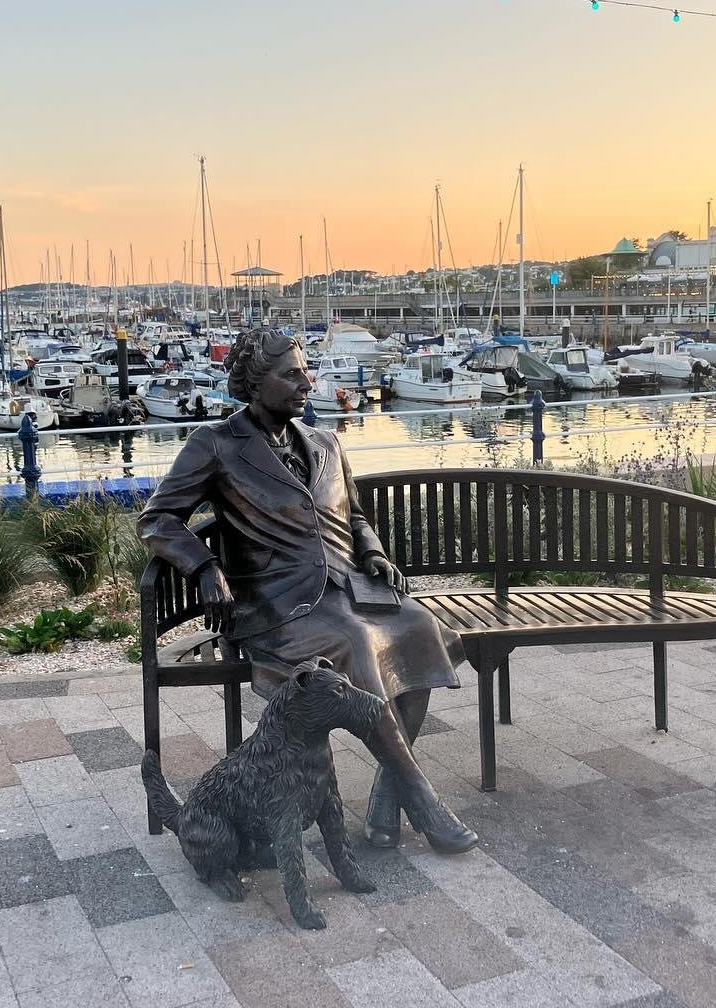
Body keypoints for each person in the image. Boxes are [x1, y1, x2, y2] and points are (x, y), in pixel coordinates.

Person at [138, 329, 477, 854]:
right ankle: (423, 800)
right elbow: (158, 519)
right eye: (292, 374)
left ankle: (388, 798)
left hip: (350, 586)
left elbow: (355, 516)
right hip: (277, 605)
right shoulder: (217, 444)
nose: (307, 382)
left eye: (306, 371)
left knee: (418, 628)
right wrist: (205, 568)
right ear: (255, 383)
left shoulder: (326, 442)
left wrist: (375, 554)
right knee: (358, 647)